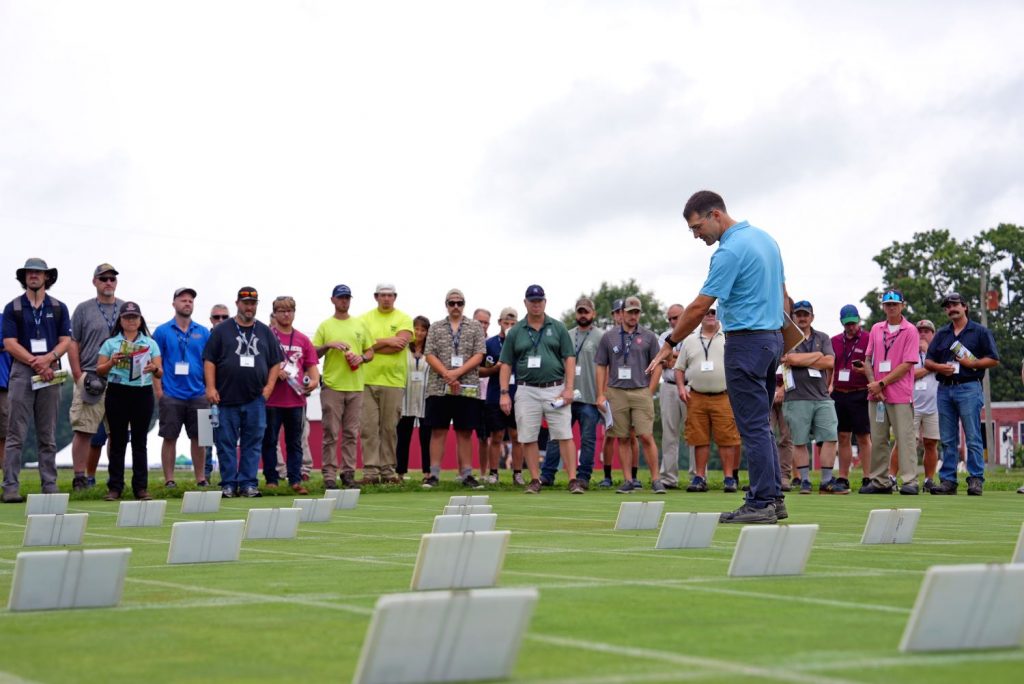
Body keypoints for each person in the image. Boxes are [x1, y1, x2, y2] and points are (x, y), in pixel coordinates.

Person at [649, 191, 788, 524]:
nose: (698, 236)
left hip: (745, 343)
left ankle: (760, 502)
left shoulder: (729, 251)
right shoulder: (766, 240)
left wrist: (670, 342)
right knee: (762, 425)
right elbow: (784, 295)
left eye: (698, 227)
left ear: (715, 214)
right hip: (772, 340)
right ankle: (773, 498)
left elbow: (699, 306)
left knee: (751, 426)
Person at [498, 284, 584, 494]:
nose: (536, 304)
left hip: (555, 388)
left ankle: (573, 479)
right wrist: (504, 393)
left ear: (545, 302)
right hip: (526, 389)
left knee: (564, 434)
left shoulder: (558, 327)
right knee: (528, 435)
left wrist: (569, 388)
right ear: (525, 302)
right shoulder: (516, 331)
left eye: (539, 300)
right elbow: (506, 363)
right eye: (532, 301)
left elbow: (569, 358)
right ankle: (535, 480)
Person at [2, 259, 72, 503]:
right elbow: (9, 344)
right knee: (15, 433)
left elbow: (66, 340)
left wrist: (49, 359)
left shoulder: (59, 307)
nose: (33, 276)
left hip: (51, 370)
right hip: (23, 371)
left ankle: (49, 486)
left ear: (46, 277)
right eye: (29, 272)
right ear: (24, 277)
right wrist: (36, 361)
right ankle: (10, 487)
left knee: (47, 434)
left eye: (38, 272)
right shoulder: (13, 307)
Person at [203, 287, 283, 498]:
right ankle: (228, 484)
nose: (249, 307)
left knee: (253, 443)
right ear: (237, 303)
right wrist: (210, 387)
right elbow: (209, 360)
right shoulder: (222, 330)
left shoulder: (265, 331)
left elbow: (276, 362)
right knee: (225, 442)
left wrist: (268, 388)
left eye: (253, 303)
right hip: (225, 398)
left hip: (255, 399)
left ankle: (248, 483)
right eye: (246, 302)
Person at [925, 292, 1000, 496]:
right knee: (948, 439)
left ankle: (975, 479)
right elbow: (928, 362)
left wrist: (973, 363)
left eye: (955, 304)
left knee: (973, 436)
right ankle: (948, 481)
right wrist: (940, 367)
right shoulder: (942, 333)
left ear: (965, 307)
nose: (951, 308)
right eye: (948, 306)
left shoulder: (980, 331)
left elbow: (994, 359)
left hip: (969, 386)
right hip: (945, 388)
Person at [596, 296, 664, 494]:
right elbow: (601, 366)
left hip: (640, 390)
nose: (634, 315)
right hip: (616, 391)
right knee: (623, 437)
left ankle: (656, 480)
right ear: (622, 313)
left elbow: (658, 364)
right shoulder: (609, 337)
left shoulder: (649, 336)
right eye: (630, 312)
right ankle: (628, 480)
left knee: (646, 436)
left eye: (637, 312)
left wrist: (650, 390)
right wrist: (601, 394)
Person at [96, 302, 163, 500]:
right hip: (117, 392)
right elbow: (99, 370)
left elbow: (160, 372)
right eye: (127, 317)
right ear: (121, 320)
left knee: (140, 442)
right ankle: (115, 487)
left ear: (140, 320)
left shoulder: (150, 343)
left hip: (141, 393)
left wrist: (153, 368)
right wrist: (111, 362)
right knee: (117, 441)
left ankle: (140, 487)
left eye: (134, 317)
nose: (131, 321)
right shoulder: (110, 343)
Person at [67, 263, 124, 491]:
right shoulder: (83, 309)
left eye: (112, 278)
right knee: (84, 429)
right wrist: (78, 374)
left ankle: (114, 478)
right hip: (91, 376)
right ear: (95, 282)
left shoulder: (126, 308)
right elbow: (73, 343)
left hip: (120, 378)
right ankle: (80, 477)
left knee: (118, 432)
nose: (108, 282)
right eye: (103, 279)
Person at [858, 290, 921, 494]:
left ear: (902, 305)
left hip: (899, 393)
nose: (891, 307)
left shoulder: (910, 330)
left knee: (905, 437)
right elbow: (868, 359)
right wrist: (872, 384)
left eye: (895, 304)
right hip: (876, 394)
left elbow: (908, 364)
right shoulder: (876, 328)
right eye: (887, 304)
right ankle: (880, 481)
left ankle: (910, 481)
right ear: (883, 306)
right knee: (878, 438)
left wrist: (881, 383)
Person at [421, 289, 486, 488]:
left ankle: (466, 474)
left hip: (466, 386)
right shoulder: (436, 327)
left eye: (459, 303)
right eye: (452, 303)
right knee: (438, 429)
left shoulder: (475, 326)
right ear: (446, 305)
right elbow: (429, 354)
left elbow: (479, 354)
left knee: (465, 431)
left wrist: (456, 373)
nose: (456, 306)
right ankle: (433, 475)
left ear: (464, 304)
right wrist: (446, 374)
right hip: (439, 386)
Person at [674, 307, 742, 492]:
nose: (710, 315)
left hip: (724, 396)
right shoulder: (689, 340)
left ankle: (729, 478)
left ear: (719, 315)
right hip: (696, 396)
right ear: (701, 316)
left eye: (713, 312)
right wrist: (681, 387)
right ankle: (699, 477)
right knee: (699, 439)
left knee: (727, 438)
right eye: (706, 313)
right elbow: (679, 368)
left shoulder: (729, 337)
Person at [313, 285, 374, 488]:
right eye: (341, 298)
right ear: (333, 300)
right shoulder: (325, 326)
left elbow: (370, 351)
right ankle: (329, 474)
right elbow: (313, 354)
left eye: (347, 297)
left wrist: (361, 358)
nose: (344, 301)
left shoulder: (359, 324)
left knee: (351, 432)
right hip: (332, 385)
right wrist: (328, 345)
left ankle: (348, 473)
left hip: (356, 386)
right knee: (330, 431)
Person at [779, 301, 843, 494]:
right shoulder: (787, 337)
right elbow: (788, 359)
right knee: (799, 441)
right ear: (794, 317)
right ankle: (805, 481)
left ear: (812, 317)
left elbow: (830, 361)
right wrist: (817, 356)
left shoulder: (822, 337)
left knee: (830, 437)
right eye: (798, 314)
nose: (802, 317)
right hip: (796, 397)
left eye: (806, 314)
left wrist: (803, 360)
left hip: (822, 396)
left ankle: (826, 482)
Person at [541, 297, 602, 489]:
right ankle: (547, 474)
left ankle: (583, 476)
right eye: (580, 311)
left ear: (593, 313)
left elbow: (605, 367)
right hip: (566, 396)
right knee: (556, 436)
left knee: (588, 439)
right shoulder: (566, 335)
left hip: (589, 397)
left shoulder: (601, 337)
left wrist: (603, 393)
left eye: (586, 311)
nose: (582, 315)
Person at [152, 287, 211, 488]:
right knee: (169, 437)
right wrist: (159, 392)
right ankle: (169, 479)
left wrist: (209, 389)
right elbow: (155, 362)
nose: (187, 303)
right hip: (171, 394)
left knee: (202, 438)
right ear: (174, 304)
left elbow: (209, 363)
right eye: (183, 300)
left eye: (190, 301)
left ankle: (201, 478)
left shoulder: (203, 332)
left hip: (199, 394)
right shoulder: (161, 331)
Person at [263, 296, 320, 494]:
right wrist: (273, 372)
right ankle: (272, 479)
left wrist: (313, 382)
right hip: (271, 400)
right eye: (282, 310)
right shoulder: (266, 336)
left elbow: (312, 368)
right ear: (275, 313)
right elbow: (259, 366)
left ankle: (295, 480)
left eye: (290, 310)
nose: (286, 314)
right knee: (269, 440)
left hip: (296, 399)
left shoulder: (303, 339)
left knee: (295, 442)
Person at [360, 283, 414, 483]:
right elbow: (360, 346)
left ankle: (388, 470)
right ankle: (370, 472)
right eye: (382, 295)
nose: (386, 299)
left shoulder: (404, 318)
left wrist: (374, 344)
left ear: (395, 297)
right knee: (368, 427)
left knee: (389, 428)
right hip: (366, 380)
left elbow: (399, 345)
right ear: (376, 297)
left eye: (389, 295)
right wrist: (387, 340)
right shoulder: (363, 319)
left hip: (393, 381)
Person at [890, 319, 940, 492]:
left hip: (934, 405)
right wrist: (930, 367)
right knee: (903, 442)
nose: (922, 334)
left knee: (931, 443)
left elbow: (946, 368)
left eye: (927, 331)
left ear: (933, 334)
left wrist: (931, 359)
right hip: (910, 403)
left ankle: (929, 480)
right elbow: (907, 374)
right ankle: (891, 477)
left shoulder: (938, 352)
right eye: (919, 331)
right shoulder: (907, 351)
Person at [480, 308, 525, 485]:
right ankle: (493, 473)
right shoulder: (490, 343)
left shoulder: (523, 343)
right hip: (495, 395)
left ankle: (518, 474)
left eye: (513, 324)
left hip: (519, 395)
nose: (509, 327)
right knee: (496, 435)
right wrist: (495, 368)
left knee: (517, 436)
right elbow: (480, 371)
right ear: (499, 322)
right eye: (506, 323)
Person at [830, 305, 872, 487]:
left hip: (860, 392)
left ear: (859, 321)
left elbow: (874, 366)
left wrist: (865, 372)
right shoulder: (835, 341)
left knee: (863, 436)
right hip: (840, 393)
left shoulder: (868, 339)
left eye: (854, 323)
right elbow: (831, 366)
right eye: (847, 324)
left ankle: (868, 476)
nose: (851, 327)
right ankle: (843, 477)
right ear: (842, 323)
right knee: (843, 436)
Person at [658, 303, 689, 489]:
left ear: (684, 315)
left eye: (675, 317)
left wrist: (674, 356)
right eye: (669, 318)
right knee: (669, 434)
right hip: (668, 387)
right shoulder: (664, 337)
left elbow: (693, 360)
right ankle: (669, 478)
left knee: (695, 434)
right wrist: (679, 357)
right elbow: (663, 360)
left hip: (691, 386)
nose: (672, 321)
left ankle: (698, 476)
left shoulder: (695, 336)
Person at [396, 316, 431, 481]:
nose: (419, 333)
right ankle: (400, 472)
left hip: (425, 399)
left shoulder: (430, 351)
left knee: (426, 438)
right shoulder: (403, 350)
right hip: (406, 398)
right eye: (416, 329)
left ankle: (427, 473)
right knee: (403, 437)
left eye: (423, 330)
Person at [202, 303, 231, 484]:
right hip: (205, 396)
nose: (220, 320)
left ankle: (227, 479)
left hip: (228, 398)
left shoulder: (235, 338)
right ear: (211, 320)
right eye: (216, 317)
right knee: (205, 441)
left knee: (226, 440)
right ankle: (204, 478)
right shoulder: (204, 338)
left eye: (224, 317)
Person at [472, 308, 493, 481]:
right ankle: (463, 472)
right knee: (463, 433)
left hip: (487, 395)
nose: (482, 325)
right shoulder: (467, 341)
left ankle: (484, 473)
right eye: (479, 322)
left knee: (485, 437)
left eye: (485, 322)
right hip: (469, 393)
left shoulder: (492, 344)